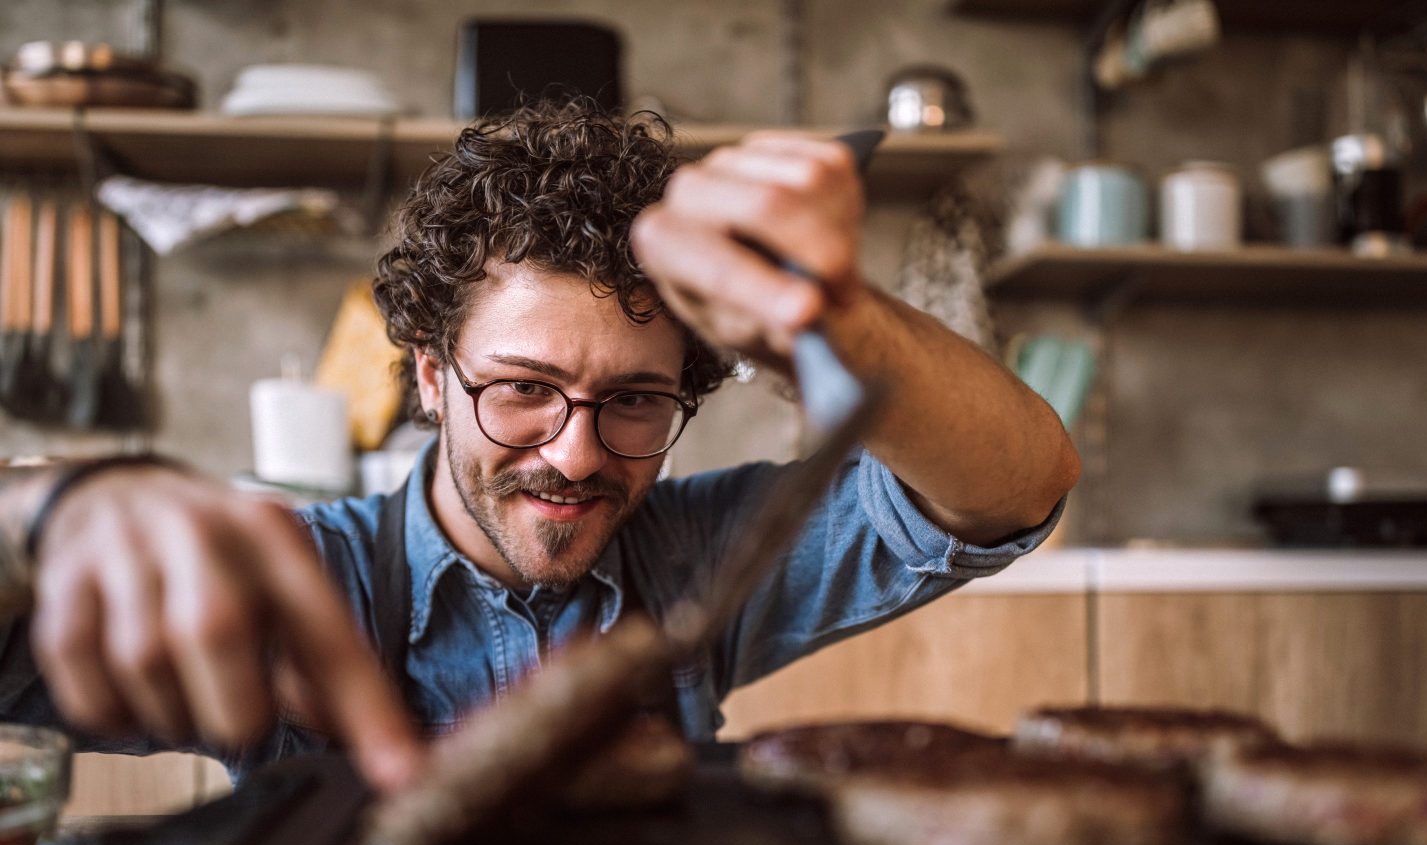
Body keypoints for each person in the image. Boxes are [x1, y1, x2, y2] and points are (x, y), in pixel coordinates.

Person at [0, 101, 1079, 794]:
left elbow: (1016, 488)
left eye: (635, 401)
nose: (574, 456)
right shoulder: (296, 581)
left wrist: (830, 313)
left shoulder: (701, 564)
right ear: (429, 374)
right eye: (523, 390)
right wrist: (51, 513)